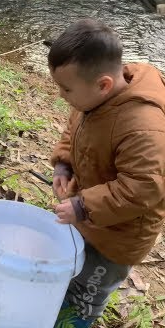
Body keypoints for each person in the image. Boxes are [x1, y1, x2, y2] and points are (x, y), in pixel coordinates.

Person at [47, 20, 165, 328]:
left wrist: (83, 206)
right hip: (91, 216)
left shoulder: (143, 127)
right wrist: (64, 164)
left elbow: (143, 187)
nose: (61, 95)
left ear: (104, 84)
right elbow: (75, 127)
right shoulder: (92, 99)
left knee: (88, 290)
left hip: (118, 238)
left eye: (66, 89)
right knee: (72, 270)